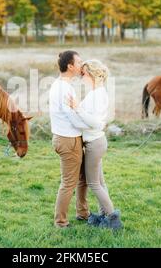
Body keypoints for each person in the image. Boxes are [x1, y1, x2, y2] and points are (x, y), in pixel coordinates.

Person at [66, 59, 123, 230]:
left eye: (83, 73)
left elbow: (95, 123)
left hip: (94, 143)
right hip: (95, 141)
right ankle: (104, 216)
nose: (81, 76)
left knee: (93, 183)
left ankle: (113, 220)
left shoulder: (97, 95)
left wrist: (76, 108)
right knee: (100, 182)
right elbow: (87, 120)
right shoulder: (96, 93)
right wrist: (75, 112)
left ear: (92, 74)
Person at [49, 50, 91, 228]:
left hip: (66, 137)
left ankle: (83, 213)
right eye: (79, 62)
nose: (82, 65)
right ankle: (61, 222)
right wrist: (91, 125)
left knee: (82, 177)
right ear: (70, 66)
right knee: (68, 183)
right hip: (68, 140)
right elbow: (73, 117)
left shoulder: (59, 85)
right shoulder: (64, 88)